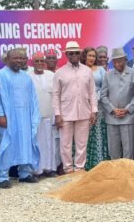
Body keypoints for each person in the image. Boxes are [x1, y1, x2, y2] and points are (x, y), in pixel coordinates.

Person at [0, 48, 41, 189]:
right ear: (7, 59)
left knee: (25, 144)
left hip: (24, 118)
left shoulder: (26, 77)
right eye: (16, 58)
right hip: (7, 118)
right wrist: (0, 114)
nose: (20, 61)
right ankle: (3, 176)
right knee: (6, 145)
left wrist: (34, 117)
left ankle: (24, 173)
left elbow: (33, 99)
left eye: (22, 58)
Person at [53, 41, 98, 174]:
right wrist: (57, 114)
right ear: (66, 54)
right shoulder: (60, 72)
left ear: (80, 54)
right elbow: (55, 95)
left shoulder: (87, 71)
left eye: (76, 53)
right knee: (65, 145)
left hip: (84, 111)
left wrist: (94, 110)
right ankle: (68, 169)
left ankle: (79, 169)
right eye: (71, 53)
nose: (74, 55)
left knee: (82, 144)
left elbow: (92, 92)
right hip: (65, 113)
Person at [101, 48, 134, 160]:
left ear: (125, 60)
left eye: (120, 60)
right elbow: (103, 95)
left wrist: (127, 109)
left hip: (128, 116)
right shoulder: (108, 75)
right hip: (112, 116)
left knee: (128, 149)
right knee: (113, 149)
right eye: (114, 61)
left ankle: (127, 174)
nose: (117, 63)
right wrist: (113, 109)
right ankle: (115, 173)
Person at [28, 51, 60, 177]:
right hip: (35, 116)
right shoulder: (28, 77)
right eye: (37, 61)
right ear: (32, 62)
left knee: (50, 142)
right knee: (37, 143)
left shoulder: (51, 75)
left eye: (42, 60)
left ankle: (50, 169)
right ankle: (37, 170)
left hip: (50, 115)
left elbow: (57, 95)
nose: (40, 63)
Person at [80, 47, 110, 170]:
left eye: (93, 56)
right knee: (83, 133)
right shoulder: (80, 69)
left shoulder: (101, 70)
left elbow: (105, 87)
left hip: (99, 105)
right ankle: (84, 163)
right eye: (89, 55)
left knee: (98, 131)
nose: (91, 58)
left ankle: (99, 162)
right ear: (84, 56)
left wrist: (96, 98)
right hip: (83, 105)